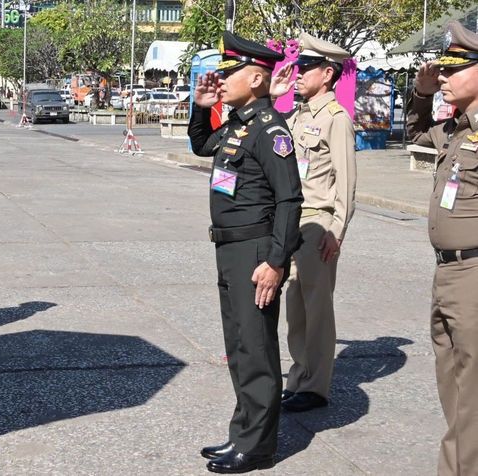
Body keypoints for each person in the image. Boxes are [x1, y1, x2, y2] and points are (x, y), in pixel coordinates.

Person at [189, 31, 303, 473]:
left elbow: (290, 199)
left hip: (255, 251)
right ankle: (243, 432)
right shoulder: (239, 124)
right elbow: (202, 145)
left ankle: (257, 446)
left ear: (256, 78)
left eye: (230, 72)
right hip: (229, 248)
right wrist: (201, 110)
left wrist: (276, 260)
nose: (221, 79)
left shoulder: (270, 130)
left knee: (256, 349)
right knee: (239, 346)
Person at [269, 33, 357, 412]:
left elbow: (347, 183)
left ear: (328, 73)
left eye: (306, 68)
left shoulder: (337, 120)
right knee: (295, 306)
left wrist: (337, 231)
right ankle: (300, 375)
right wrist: (274, 95)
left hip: (318, 222)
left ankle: (316, 386)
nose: (299, 74)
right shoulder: (299, 114)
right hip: (292, 222)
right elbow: (268, 127)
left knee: (317, 307)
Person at [407, 21, 478, 476]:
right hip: (446, 275)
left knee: (473, 399)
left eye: (455, 69)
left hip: (474, 276)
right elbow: (413, 136)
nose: (444, 77)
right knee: (454, 390)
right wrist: (419, 92)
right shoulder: (457, 130)